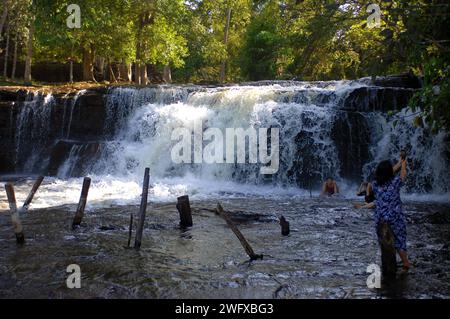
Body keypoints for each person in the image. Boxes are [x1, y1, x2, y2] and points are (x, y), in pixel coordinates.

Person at [371, 151, 411, 271]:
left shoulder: (375, 184)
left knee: (384, 241)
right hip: (394, 218)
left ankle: (386, 265)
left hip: (380, 219)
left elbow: (386, 174)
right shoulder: (395, 183)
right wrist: (403, 164)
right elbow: (403, 176)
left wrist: (399, 162)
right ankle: (406, 263)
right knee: (399, 240)